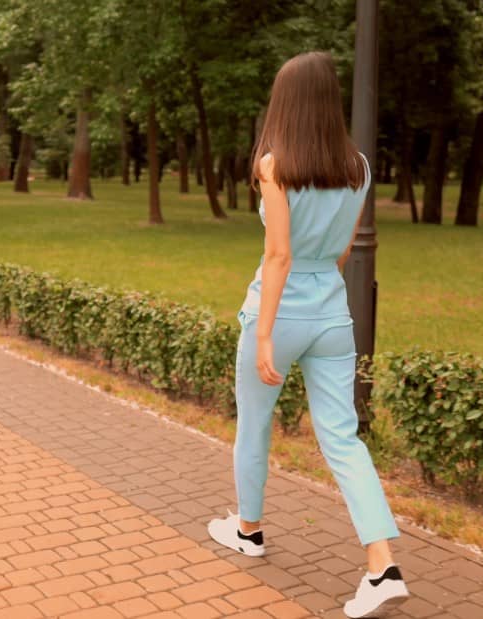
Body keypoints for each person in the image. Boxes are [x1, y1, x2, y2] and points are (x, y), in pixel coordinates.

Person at [206, 51, 409, 618]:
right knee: (343, 440)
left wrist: (267, 334)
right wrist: (321, 294)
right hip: (331, 314)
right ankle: (381, 565)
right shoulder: (359, 168)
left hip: (280, 312)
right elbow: (342, 248)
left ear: (285, 103)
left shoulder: (274, 166)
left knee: (255, 422)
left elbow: (278, 255)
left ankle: (249, 532)